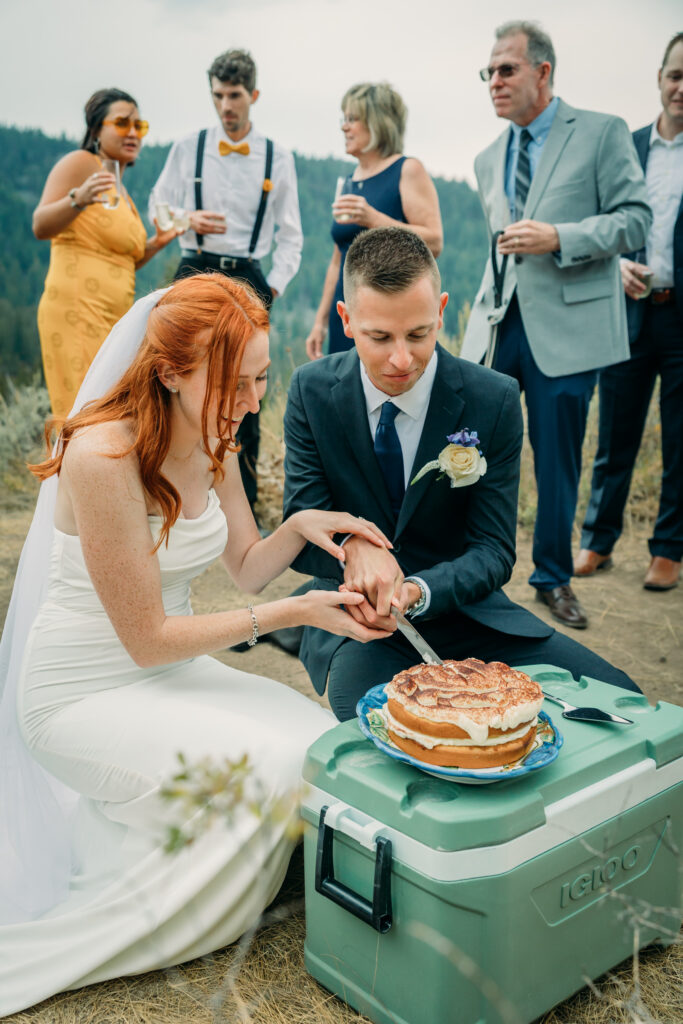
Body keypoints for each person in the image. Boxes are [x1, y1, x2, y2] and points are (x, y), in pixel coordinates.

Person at [0, 273, 393, 1016]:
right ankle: (167, 891)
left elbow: (244, 567)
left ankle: (175, 840)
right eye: (234, 384)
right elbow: (146, 639)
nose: (251, 404)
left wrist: (300, 528)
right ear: (171, 370)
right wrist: (298, 612)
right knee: (273, 765)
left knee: (317, 740)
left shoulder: (219, 435)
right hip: (79, 692)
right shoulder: (103, 457)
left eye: (261, 380)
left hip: (166, 672)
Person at [283, 227, 640, 721]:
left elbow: (494, 551)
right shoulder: (310, 390)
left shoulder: (492, 398)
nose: (401, 359)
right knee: (382, 728)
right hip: (362, 626)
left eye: (418, 334)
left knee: (624, 700)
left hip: (469, 613)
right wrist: (355, 547)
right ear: (345, 319)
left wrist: (417, 591)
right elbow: (300, 523)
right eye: (379, 337)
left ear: (442, 311)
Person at [460, 20, 651, 629]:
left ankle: (551, 579)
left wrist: (559, 238)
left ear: (543, 72)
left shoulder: (601, 132)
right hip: (497, 326)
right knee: (470, 452)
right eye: (488, 72)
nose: (494, 82)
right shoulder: (486, 158)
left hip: (566, 331)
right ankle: (469, 571)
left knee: (557, 460)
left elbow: (636, 221)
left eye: (506, 69)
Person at [150, 49, 303, 515]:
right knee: (178, 381)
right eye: (218, 95)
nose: (225, 106)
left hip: (248, 275)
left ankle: (245, 505)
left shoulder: (277, 157)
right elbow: (158, 208)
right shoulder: (188, 147)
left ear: (253, 95)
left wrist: (269, 288)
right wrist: (188, 217)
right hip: (194, 268)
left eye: (234, 95)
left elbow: (291, 235)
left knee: (247, 390)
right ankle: (173, 491)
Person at [576, 33, 683, 592]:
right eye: (675, 75)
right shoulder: (630, 145)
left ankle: (668, 549)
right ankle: (597, 539)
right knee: (615, 430)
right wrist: (614, 264)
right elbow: (603, 224)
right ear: (660, 79)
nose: (681, 87)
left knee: (680, 440)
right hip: (628, 310)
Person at [33, 88, 178, 419]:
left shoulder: (120, 188)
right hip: (77, 309)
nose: (132, 132)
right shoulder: (82, 163)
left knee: (110, 412)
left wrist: (158, 243)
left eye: (139, 126)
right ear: (97, 129)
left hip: (112, 316)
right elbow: (41, 225)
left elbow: (124, 260)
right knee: (85, 414)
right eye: (122, 122)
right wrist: (77, 199)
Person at [305, 81, 443, 360]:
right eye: (344, 119)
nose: (345, 127)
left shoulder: (407, 169)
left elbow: (434, 241)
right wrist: (320, 321)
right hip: (346, 310)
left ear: (378, 123)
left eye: (353, 119)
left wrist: (374, 218)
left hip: (390, 310)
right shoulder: (348, 181)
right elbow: (337, 260)